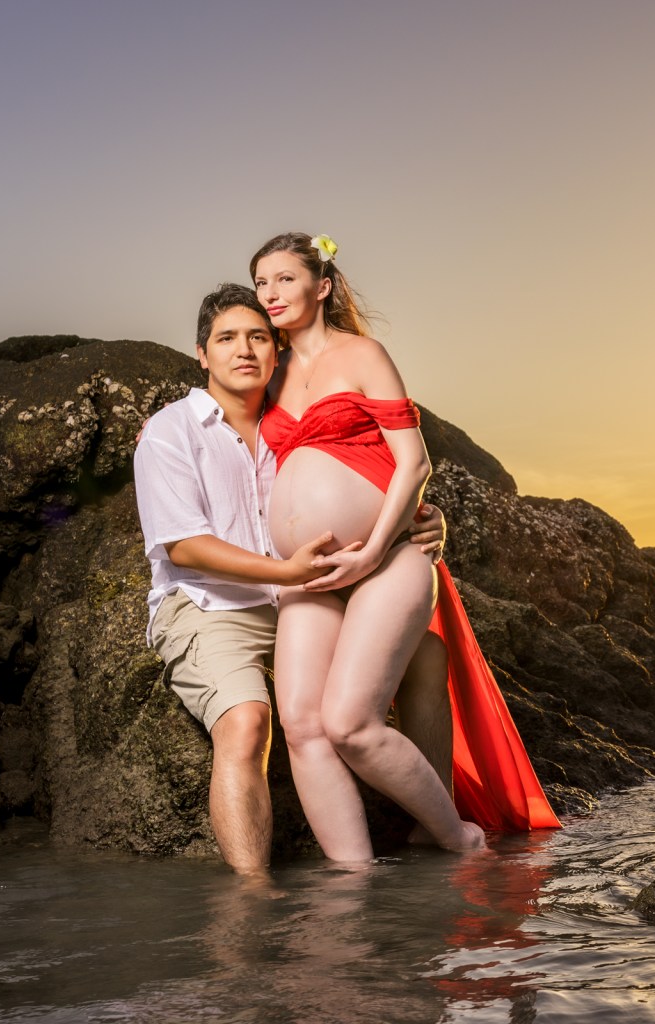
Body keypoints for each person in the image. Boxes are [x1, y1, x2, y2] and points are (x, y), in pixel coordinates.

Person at [252, 231, 559, 862]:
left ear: (323, 285)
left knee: (349, 725)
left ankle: (458, 839)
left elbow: (413, 463)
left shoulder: (362, 354)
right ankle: (352, 891)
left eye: (284, 278)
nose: (271, 294)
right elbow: (218, 410)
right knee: (304, 730)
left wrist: (372, 551)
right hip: (305, 573)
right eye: (261, 283)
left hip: (387, 561)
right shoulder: (270, 372)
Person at [133, 283, 450, 873]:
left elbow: (379, 463)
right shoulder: (171, 431)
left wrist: (421, 514)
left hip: (299, 597)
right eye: (226, 339)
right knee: (249, 722)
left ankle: (437, 826)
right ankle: (251, 894)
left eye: (258, 337)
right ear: (202, 353)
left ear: (277, 350)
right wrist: (287, 571)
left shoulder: (288, 425)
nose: (244, 350)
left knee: (427, 655)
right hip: (213, 604)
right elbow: (184, 544)